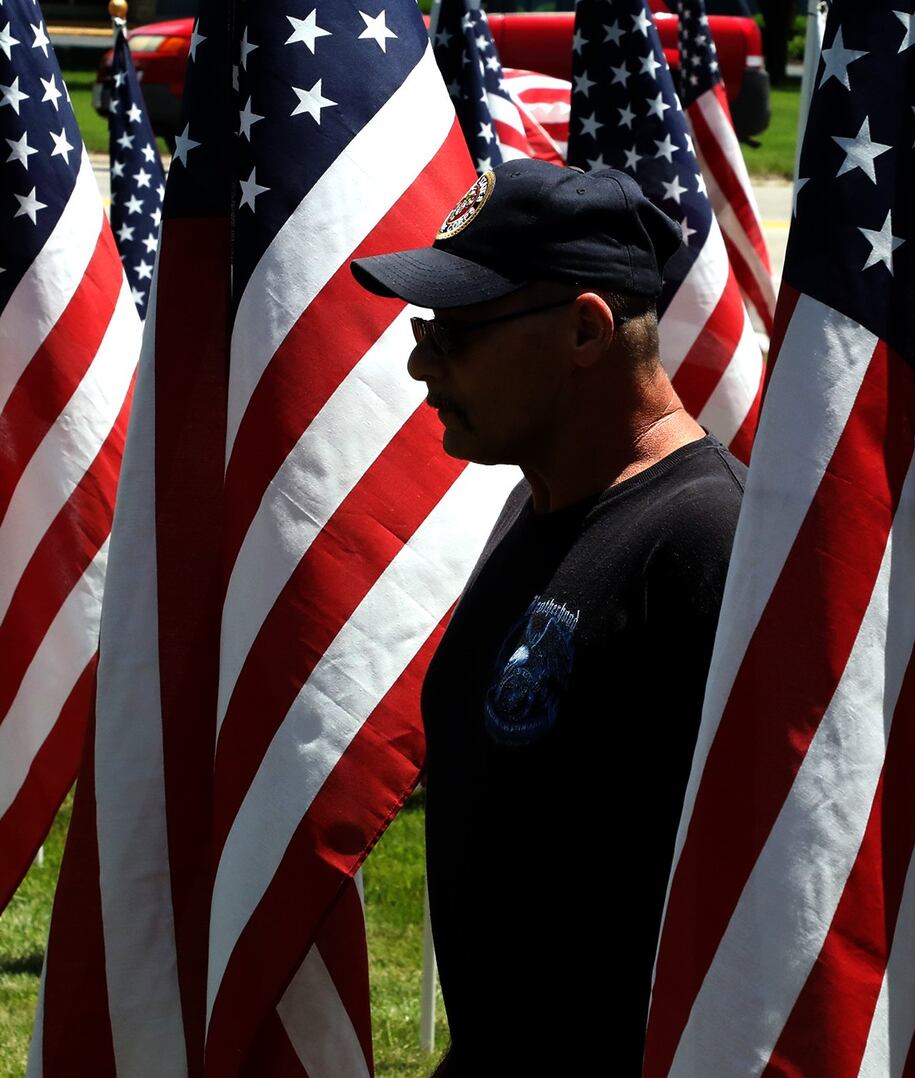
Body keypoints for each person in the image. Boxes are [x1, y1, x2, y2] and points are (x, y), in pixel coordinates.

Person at [351, 159, 747, 1074]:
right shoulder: (532, 517)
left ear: (584, 329)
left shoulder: (705, 544)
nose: (420, 361)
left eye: (456, 334)